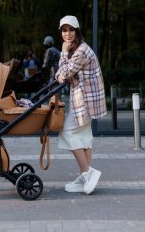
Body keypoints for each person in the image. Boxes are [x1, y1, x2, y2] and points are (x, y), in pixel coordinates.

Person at [54, 15, 107, 194]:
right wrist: (61, 74)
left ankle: (87, 173)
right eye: (64, 30)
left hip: (85, 100)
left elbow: (66, 72)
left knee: (67, 131)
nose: (67, 34)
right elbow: (64, 73)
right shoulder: (78, 50)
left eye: (71, 30)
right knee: (84, 136)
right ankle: (85, 178)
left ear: (77, 31)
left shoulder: (81, 51)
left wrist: (62, 52)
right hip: (86, 100)